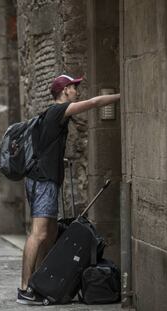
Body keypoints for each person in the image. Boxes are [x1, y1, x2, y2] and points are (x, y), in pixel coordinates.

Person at [16, 74, 120, 305]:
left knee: (51, 233)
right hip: (43, 181)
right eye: (74, 87)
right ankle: (24, 288)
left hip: (44, 180)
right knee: (39, 233)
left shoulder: (50, 115)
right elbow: (94, 104)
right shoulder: (57, 111)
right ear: (64, 91)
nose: (77, 91)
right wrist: (122, 96)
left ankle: (41, 281)